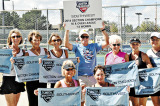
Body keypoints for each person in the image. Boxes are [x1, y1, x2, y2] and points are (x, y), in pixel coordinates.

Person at [64, 22, 109, 105]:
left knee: (94, 98)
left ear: (88, 37)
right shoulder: (77, 47)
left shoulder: (94, 46)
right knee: (82, 99)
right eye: (82, 36)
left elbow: (107, 43)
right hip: (81, 76)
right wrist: (67, 30)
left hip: (92, 76)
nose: (84, 38)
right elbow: (66, 44)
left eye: (86, 36)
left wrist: (103, 29)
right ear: (79, 37)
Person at [0, 29, 26, 106]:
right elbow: (3, 67)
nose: (16, 38)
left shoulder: (23, 52)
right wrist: (10, 61)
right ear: (10, 38)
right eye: (13, 36)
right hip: (9, 79)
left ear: (20, 38)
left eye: (18, 36)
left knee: (15, 104)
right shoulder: (5, 50)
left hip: (18, 79)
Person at [25, 30, 49, 106]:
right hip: (31, 80)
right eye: (35, 40)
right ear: (31, 41)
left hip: (42, 80)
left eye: (38, 40)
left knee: (42, 101)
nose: (37, 42)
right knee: (32, 102)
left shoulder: (44, 51)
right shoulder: (27, 53)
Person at [129, 37, 153, 106]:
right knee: (135, 104)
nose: (135, 46)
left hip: (143, 83)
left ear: (139, 45)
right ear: (130, 45)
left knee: (142, 104)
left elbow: (149, 65)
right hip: (133, 84)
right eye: (133, 44)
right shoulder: (128, 56)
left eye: (137, 44)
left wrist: (151, 71)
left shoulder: (143, 55)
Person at [146, 32, 160, 106]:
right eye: (152, 39)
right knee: (155, 103)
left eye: (157, 39)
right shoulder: (148, 53)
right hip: (154, 81)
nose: (154, 41)